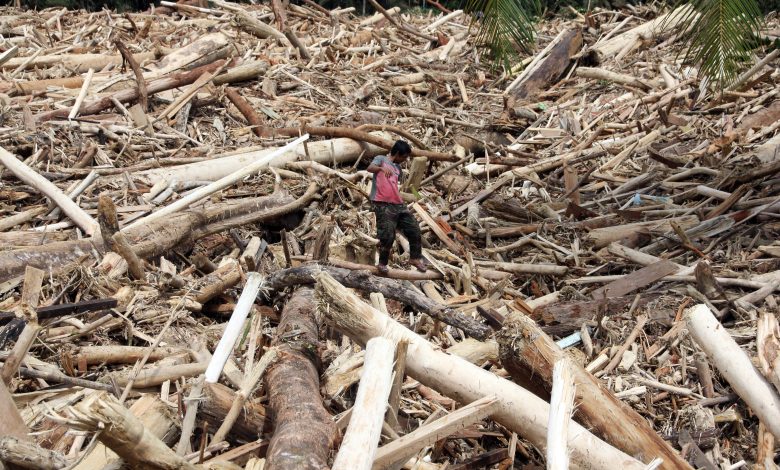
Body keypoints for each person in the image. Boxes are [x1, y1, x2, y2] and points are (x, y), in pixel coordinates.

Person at [366, 140, 427, 275]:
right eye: (404, 157)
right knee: (387, 235)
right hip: (382, 203)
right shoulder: (381, 159)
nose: (405, 160)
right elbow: (369, 168)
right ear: (398, 153)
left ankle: (415, 258)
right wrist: (381, 168)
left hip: (398, 204)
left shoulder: (398, 168)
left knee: (414, 228)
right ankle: (382, 263)